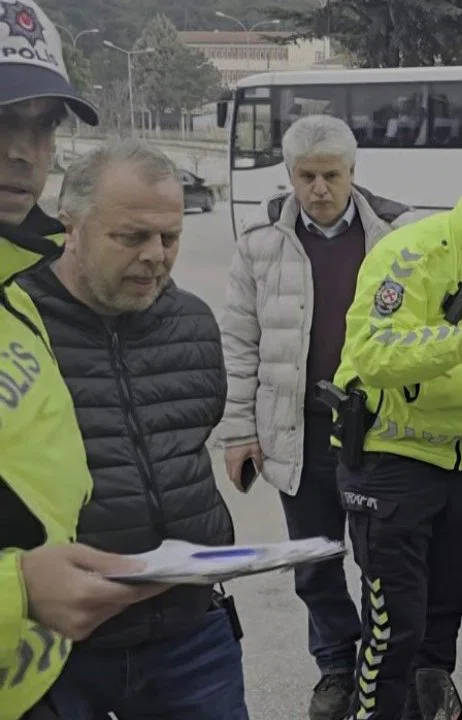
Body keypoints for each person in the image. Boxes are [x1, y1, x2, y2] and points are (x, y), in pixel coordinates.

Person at [17, 140, 245, 719]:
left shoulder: (193, 322)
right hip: (60, 649)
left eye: (170, 237)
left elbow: (194, 439)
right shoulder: (17, 324)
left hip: (192, 634)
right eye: (132, 236)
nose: (156, 256)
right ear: (71, 226)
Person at [330, 152, 462, 719]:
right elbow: (371, 353)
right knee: (395, 628)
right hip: (391, 463)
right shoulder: (409, 253)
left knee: (440, 627)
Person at [0, 2, 169, 717]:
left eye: (43, 125)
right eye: (0, 118)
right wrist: (18, 591)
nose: (24, 151)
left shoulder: (18, 287)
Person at [218, 114, 417, 720]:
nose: (319, 189)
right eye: (306, 176)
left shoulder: (397, 236)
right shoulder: (260, 243)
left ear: (353, 171)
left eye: (331, 175)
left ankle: (384, 668)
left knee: (384, 560)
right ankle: (335, 665)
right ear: (290, 174)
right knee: (314, 560)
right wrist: (239, 433)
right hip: (299, 433)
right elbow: (239, 343)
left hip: (379, 434)